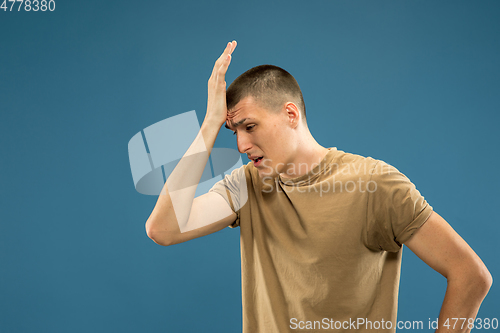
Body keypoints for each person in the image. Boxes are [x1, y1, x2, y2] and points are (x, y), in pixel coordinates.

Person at [145, 41, 492, 332]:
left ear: (291, 114)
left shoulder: (376, 184)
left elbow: (470, 275)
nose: (240, 145)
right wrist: (208, 124)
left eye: (250, 126)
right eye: (233, 131)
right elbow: (163, 228)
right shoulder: (246, 186)